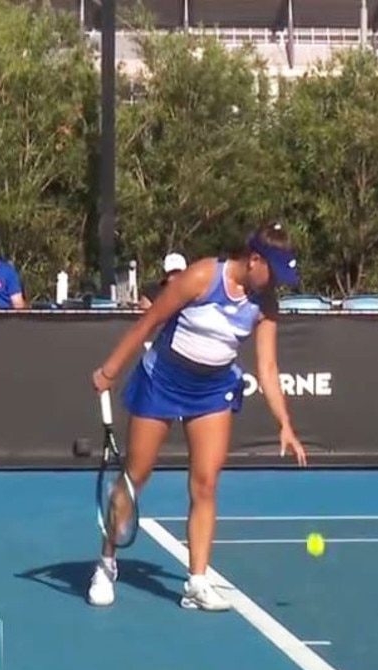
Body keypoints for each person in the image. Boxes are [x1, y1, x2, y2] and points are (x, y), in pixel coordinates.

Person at [87, 222, 309, 611]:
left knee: (205, 484)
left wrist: (285, 424)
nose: (279, 283)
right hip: (162, 382)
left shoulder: (265, 304)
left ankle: (197, 582)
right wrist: (110, 369)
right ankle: (106, 562)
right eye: (275, 272)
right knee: (135, 476)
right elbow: (150, 321)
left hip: (212, 392)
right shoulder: (203, 276)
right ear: (255, 259)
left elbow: (269, 367)